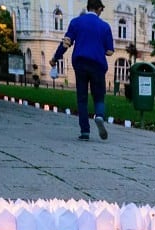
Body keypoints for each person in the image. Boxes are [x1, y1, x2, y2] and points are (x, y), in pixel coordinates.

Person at [50, 0, 114, 141]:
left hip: (80, 64)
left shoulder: (76, 22)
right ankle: (99, 116)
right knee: (99, 95)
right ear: (97, 9)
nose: (101, 12)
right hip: (97, 65)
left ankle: (85, 131)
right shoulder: (105, 26)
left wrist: (55, 58)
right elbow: (109, 51)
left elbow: (66, 43)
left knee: (82, 98)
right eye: (101, 10)